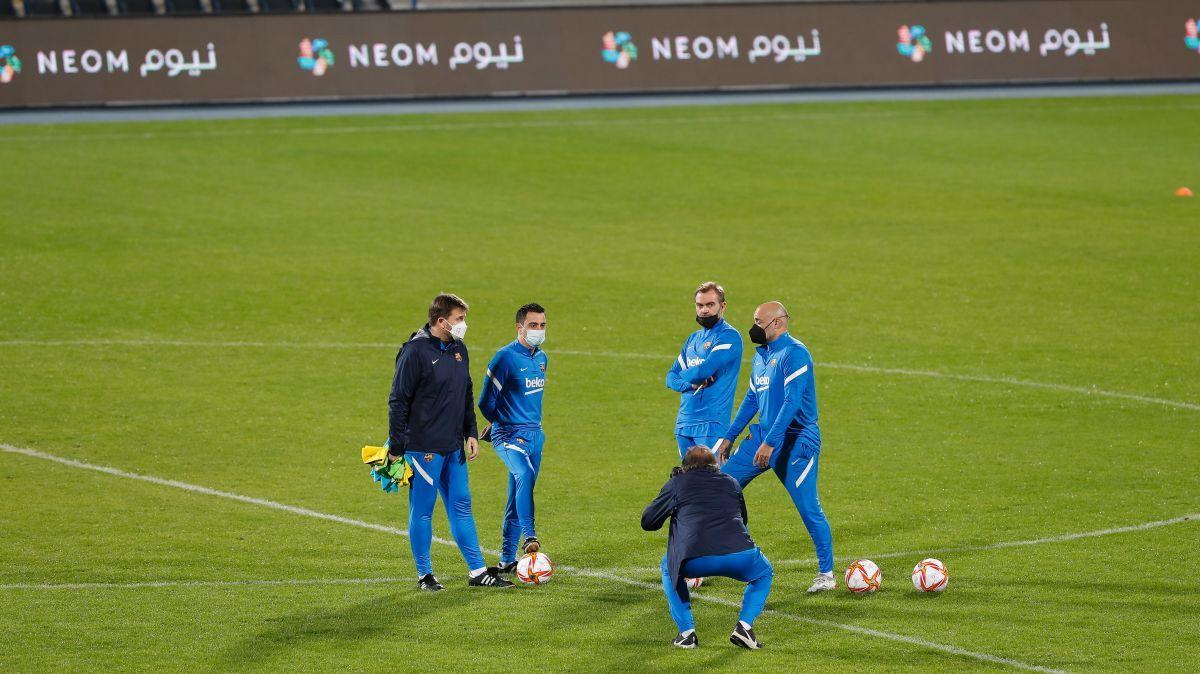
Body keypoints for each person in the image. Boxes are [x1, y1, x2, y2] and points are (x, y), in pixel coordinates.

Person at [388, 293, 512, 590]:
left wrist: (470, 431)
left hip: (453, 444)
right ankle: (424, 575)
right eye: (459, 319)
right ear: (441, 321)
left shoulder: (459, 349)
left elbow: (465, 391)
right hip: (423, 447)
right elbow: (398, 400)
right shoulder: (414, 352)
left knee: (462, 506)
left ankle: (478, 571)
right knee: (423, 510)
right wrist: (396, 448)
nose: (463, 324)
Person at [714, 301, 835, 593]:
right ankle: (714, 559)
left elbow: (792, 403)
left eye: (759, 322)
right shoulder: (763, 356)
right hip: (764, 438)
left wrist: (771, 442)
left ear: (778, 323)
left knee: (808, 508)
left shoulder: (795, 354)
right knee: (719, 490)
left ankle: (826, 574)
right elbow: (753, 399)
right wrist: (730, 436)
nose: (753, 327)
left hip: (796, 441)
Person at [642, 446, 773, 650]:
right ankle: (745, 626)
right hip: (740, 555)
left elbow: (648, 522)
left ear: (685, 467)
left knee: (668, 566)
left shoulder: (677, 483)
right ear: (715, 465)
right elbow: (743, 519)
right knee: (764, 572)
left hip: (694, 559)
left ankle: (687, 634)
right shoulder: (731, 481)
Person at [478, 302, 550, 573]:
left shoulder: (542, 358)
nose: (538, 330)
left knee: (515, 496)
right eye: (533, 325)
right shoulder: (504, 358)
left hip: (535, 437)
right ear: (520, 327)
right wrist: (498, 424)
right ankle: (529, 536)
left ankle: (507, 559)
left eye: (542, 325)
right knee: (524, 475)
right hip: (507, 435)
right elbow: (485, 402)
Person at [665, 282, 743, 459]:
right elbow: (669, 378)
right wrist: (690, 384)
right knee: (688, 483)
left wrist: (685, 376)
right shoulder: (693, 339)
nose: (704, 310)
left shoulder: (729, 336)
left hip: (712, 423)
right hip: (685, 423)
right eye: (700, 305)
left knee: (712, 483)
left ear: (722, 306)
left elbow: (703, 371)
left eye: (710, 305)